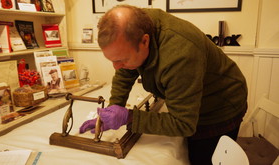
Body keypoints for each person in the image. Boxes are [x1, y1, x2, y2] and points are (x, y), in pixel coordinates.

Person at [80, 5, 248, 165]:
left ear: (144, 41)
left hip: (221, 104)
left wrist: (129, 117)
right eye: (113, 60)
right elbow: (125, 73)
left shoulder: (180, 54)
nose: (116, 67)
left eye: (122, 59)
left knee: (200, 159)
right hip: (198, 98)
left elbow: (183, 124)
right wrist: (114, 107)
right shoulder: (135, 27)